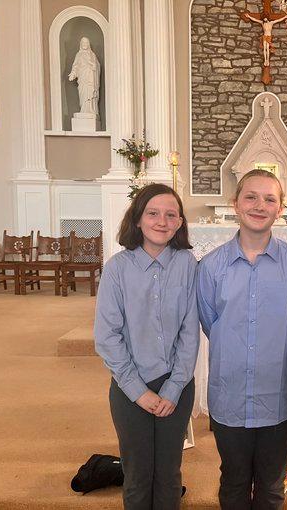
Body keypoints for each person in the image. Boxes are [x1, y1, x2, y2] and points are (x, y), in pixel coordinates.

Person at [197, 169, 287, 509]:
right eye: (251, 197)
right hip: (229, 395)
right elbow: (211, 324)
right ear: (235, 204)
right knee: (233, 480)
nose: (259, 205)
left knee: (272, 484)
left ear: (280, 209)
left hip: (276, 396)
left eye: (269, 199)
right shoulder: (211, 266)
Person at [94, 183, 199, 509]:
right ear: (138, 219)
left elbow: (190, 332)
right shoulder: (117, 268)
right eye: (153, 213)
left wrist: (174, 387)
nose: (162, 221)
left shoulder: (187, 264)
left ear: (179, 223)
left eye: (171, 215)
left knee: (169, 474)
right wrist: (138, 391)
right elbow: (107, 336)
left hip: (176, 385)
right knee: (137, 475)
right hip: (130, 386)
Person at [69, 36, 101, 116]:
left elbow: (97, 66)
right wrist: (73, 74)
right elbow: (75, 66)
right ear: (81, 44)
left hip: (91, 79)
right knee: (83, 94)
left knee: (90, 92)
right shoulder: (78, 55)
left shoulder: (92, 55)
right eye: (83, 42)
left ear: (88, 44)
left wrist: (94, 66)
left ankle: (91, 109)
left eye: (86, 42)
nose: (85, 44)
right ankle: (84, 110)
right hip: (82, 78)